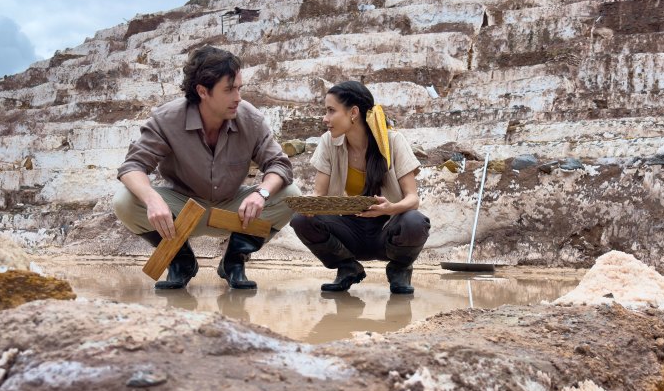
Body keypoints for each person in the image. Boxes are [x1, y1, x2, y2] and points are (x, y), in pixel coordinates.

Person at [114, 45, 300, 290]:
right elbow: (133, 166)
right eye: (229, 89)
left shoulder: (250, 118)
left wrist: (261, 193)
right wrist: (151, 199)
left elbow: (279, 164)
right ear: (202, 91)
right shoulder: (166, 119)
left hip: (234, 210)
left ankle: (234, 261)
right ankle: (181, 261)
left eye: (239, 88)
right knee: (124, 201)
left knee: (291, 196)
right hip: (182, 208)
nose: (238, 97)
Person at [291, 81, 429, 294]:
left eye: (331, 111)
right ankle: (347, 267)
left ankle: (400, 269)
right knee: (301, 219)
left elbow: (413, 199)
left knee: (415, 221)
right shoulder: (328, 142)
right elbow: (319, 194)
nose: (324, 119)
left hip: (386, 229)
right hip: (349, 230)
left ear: (353, 112)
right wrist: (307, 206)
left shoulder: (393, 140)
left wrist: (389, 208)